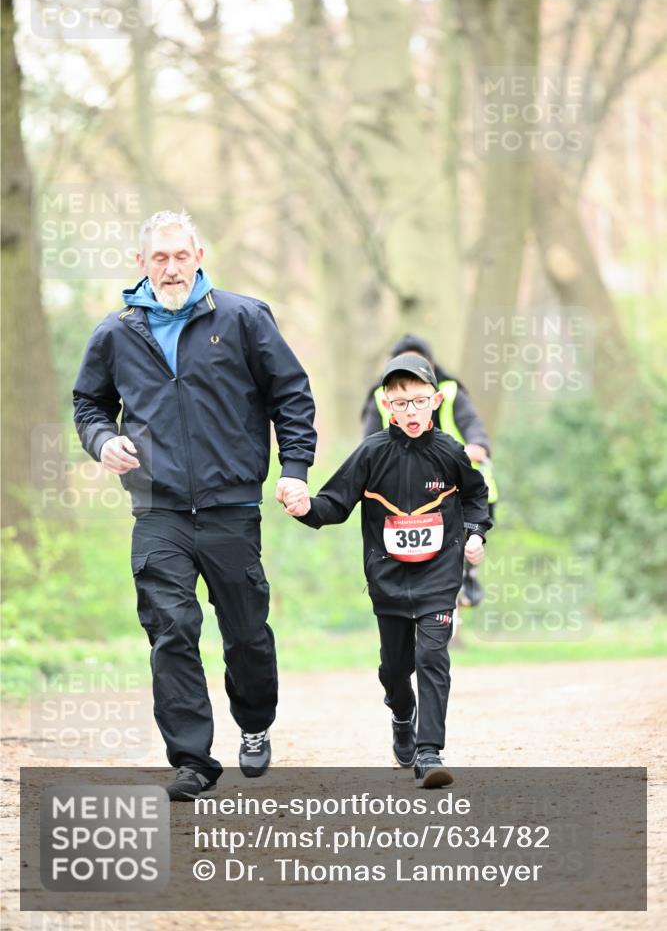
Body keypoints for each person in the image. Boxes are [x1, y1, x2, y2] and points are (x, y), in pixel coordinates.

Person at [73, 210, 316, 801]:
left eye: (181, 256)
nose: (172, 268)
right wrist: (103, 441)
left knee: (246, 633)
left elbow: (291, 394)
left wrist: (295, 469)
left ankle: (254, 722)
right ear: (141, 263)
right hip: (158, 509)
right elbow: (89, 404)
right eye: (160, 258)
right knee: (171, 630)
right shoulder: (116, 333)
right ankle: (192, 761)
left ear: (199, 256)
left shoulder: (243, 317)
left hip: (232, 506)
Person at [283, 353, 492, 787]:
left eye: (419, 401)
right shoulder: (372, 452)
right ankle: (401, 714)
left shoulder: (450, 452)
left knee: (432, 656)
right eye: (400, 403)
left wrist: (475, 534)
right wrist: (305, 508)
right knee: (395, 670)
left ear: (435, 401)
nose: (411, 412)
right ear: (385, 405)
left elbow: (476, 496)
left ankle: (429, 752)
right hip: (389, 579)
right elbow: (334, 504)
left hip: (439, 575)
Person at [361, 334, 498, 607]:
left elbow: (472, 424)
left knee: (463, 542)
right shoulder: (380, 397)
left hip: (457, 488)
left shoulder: (451, 392)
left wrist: (477, 446)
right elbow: (367, 443)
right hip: (405, 493)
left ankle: (465, 575)